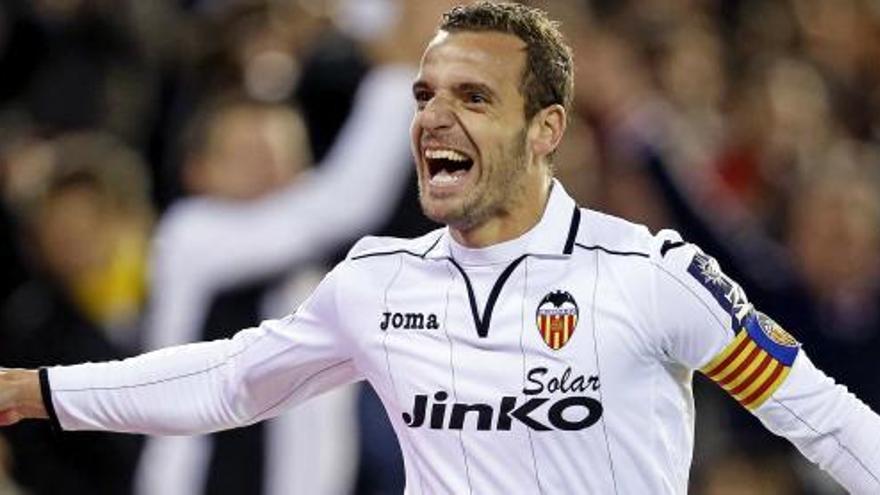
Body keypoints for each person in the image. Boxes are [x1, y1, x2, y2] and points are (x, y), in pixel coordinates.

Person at [0, 2, 878, 493]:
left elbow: (828, 418)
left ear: (547, 129)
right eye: (424, 94)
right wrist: (36, 389)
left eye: (473, 96)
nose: (432, 118)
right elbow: (229, 380)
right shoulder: (376, 284)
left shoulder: (654, 276)